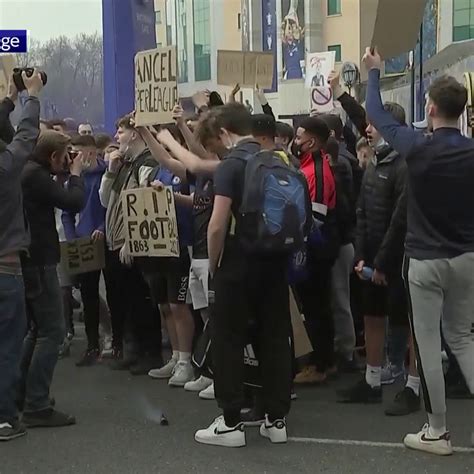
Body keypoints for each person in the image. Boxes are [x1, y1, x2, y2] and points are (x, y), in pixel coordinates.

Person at [364, 47, 474, 455]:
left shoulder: (417, 146)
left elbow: (376, 114)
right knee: (463, 338)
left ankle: (437, 431)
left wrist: (373, 73)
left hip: (425, 260)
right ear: (461, 111)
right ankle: (437, 429)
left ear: (429, 107)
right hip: (467, 257)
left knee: (427, 342)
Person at [195, 103, 293, 447]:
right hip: (276, 261)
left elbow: (218, 223)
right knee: (275, 339)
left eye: (217, 142)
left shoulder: (231, 165)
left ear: (225, 132)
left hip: (237, 264)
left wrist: (213, 263)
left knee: (230, 340)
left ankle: (232, 421)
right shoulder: (279, 159)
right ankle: (276, 419)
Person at [337, 100, 421, 417]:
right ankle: (371, 382)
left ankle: (413, 387)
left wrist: (383, 264)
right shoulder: (374, 161)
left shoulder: (405, 165)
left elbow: (401, 221)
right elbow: (361, 211)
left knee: (411, 323)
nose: (367, 130)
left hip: (398, 261)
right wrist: (361, 256)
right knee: (372, 316)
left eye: (372, 124)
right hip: (371, 257)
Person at [20, 130, 85, 428]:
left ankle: (22, 393)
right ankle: (36, 403)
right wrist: (76, 174)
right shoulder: (36, 176)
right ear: (52, 156)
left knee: (36, 330)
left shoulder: (28, 169)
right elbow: (73, 202)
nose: (67, 160)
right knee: (52, 332)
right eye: (64, 156)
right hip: (41, 260)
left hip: (28, 259)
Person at [99, 114, 161, 375]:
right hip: (116, 240)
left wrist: (132, 240)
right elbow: (105, 200)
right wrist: (110, 171)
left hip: (133, 242)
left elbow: (145, 205)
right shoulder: (124, 164)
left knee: (142, 299)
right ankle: (134, 348)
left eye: (121, 132)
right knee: (127, 298)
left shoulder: (148, 163)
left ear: (134, 133)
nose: (116, 137)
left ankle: (151, 352)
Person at [135, 125, 196, 388]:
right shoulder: (160, 168)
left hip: (183, 243)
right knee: (164, 305)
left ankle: (187, 360)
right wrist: (145, 132)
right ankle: (175, 355)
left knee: (178, 304)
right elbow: (161, 158)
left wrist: (169, 195)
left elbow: (193, 196)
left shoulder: (187, 168)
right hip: (160, 245)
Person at [0, 71, 43, 442]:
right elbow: (27, 136)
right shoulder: (6, 168)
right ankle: (3, 418)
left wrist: (9, 99)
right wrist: (30, 95)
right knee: (7, 346)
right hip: (6, 268)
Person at [292, 117, 339, 384]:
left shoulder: (318, 172)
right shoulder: (309, 167)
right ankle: (324, 361)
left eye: (299, 138)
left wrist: (296, 238)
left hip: (316, 250)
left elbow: (317, 217)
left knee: (316, 307)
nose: (295, 143)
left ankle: (321, 364)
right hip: (312, 248)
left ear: (311, 141)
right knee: (316, 307)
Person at [62, 134, 108, 367]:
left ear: (90, 152)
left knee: (116, 292)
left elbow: (113, 205)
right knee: (89, 296)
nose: (74, 158)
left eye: (77, 153)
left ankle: (117, 340)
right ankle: (92, 344)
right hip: (84, 243)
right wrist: (73, 240)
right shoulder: (73, 179)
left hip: (107, 239)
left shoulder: (107, 172)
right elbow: (66, 212)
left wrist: (103, 227)